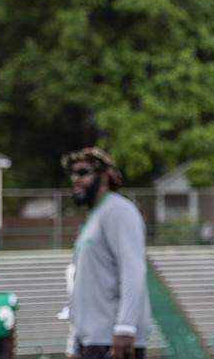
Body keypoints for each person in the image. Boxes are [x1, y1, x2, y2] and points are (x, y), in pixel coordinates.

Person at [62, 147, 151, 359]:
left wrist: (125, 327)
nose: (75, 179)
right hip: (91, 339)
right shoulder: (95, 215)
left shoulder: (119, 210)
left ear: (104, 176)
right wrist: (76, 338)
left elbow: (133, 270)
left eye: (83, 172)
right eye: (72, 174)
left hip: (112, 340)